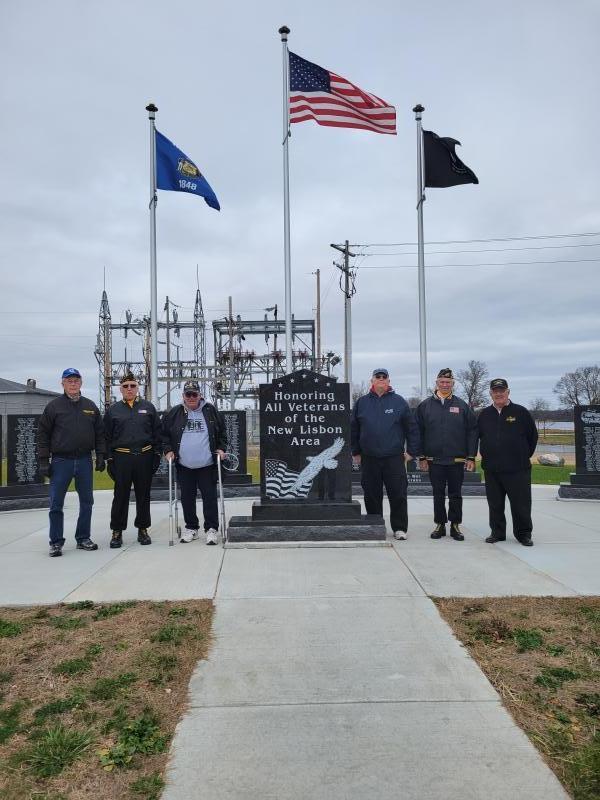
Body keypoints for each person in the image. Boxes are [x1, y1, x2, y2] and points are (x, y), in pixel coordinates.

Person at [38, 368, 106, 557]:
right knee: (56, 503)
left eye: (76, 380)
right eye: (69, 381)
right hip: (61, 461)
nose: (73, 384)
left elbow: (100, 434)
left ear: (81, 383)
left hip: (84, 460)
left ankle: (83, 537)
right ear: (63, 383)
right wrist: (43, 460)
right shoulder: (53, 407)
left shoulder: (91, 406)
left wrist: (100, 456)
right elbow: (42, 434)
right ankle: (56, 542)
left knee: (87, 502)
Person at [351, 368, 420, 540]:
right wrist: (356, 451)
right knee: (371, 494)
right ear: (372, 381)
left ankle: (399, 528)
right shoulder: (361, 403)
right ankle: (375, 525)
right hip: (369, 457)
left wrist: (412, 451)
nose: (381, 379)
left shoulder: (399, 402)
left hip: (394, 457)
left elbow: (412, 428)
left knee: (398, 493)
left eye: (384, 377)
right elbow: (354, 429)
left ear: (389, 381)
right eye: (378, 377)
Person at [416, 368, 478, 541]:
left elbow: (473, 431)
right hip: (433, 460)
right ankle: (440, 524)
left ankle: (455, 525)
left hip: (456, 460)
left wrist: (471, 456)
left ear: (453, 384)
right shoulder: (425, 406)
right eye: (442, 382)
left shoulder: (461, 405)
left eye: (448, 382)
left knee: (455, 494)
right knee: (437, 493)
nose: (445, 385)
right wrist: (421, 456)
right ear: (436, 383)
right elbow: (417, 432)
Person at [162, 380, 226, 545]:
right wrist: (168, 450)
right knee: (187, 498)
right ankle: (191, 528)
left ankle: (211, 529)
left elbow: (222, 432)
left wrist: (221, 448)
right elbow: (164, 435)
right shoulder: (174, 413)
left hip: (207, 463)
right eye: (188, 394)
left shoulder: (211, 411)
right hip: (185, 464)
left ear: (200, 395)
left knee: (209, 497)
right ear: (183, 396)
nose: (191, 397)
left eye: (194, 394)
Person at [477, 378, 538, 546]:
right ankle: (497, 532)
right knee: (495, 504)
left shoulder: (521, 412)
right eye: (495, 391)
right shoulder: (484, 414)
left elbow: (532, 437)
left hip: (517, 469)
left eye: (501, 391)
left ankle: (523, 534)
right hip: (492, 469)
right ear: (491, 393)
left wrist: (522, 455)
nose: (498, 394)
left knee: (521, 504)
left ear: (508, 392)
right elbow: (479, 437)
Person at [103, 373, 162, 547]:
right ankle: (117, 531)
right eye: (126, 386)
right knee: (120, 496)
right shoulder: (113, 410)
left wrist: (157, 455)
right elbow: (105, 437)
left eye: (133, 386)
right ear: (120, 389)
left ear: (138, 388)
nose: (129, 389)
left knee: (143, 495)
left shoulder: (148, 408)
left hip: (144, 456)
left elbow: (158, 433)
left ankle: (143, 529)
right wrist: (110, 459)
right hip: (122, 457)